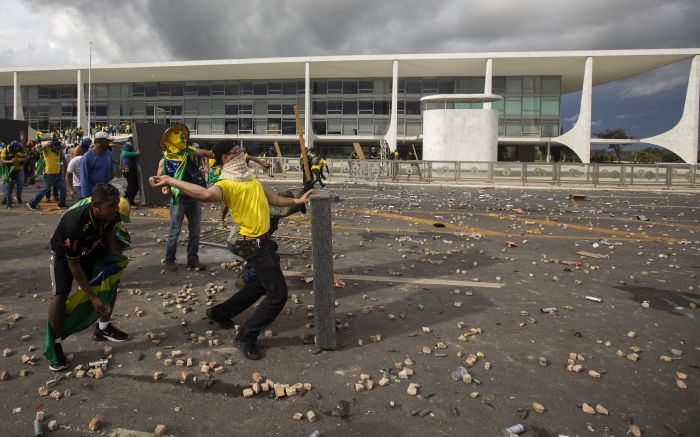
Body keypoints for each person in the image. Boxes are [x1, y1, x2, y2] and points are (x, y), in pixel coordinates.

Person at [149, 140, 313, 360]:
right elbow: (205, 194)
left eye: (240, 149)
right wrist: (170, 180)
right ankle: (246, 335)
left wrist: (298, 199)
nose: (241, 153)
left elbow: (273, 199)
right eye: (235, 151)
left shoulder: (250, 179)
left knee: (260, 285)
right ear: (225, 158)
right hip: (251, 243)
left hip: (262, 242)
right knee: (278, 295)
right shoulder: (226, 184)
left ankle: (220, 313)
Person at [45, 183, 129, 370]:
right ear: (96, 206)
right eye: (112, 205)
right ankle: (56, 343)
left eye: (117, 204)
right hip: (66, 256)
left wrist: (115, 261)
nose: (116, 209)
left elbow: (108, 232)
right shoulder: (74, 225)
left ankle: (103, 328)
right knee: (60, 295)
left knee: (112, 279)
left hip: (91, 247)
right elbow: (74, 266)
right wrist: (92, 297)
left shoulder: (110, 214)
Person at [157, 125, 213, 272]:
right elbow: (159, 177)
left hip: (193, 198)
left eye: (182, 136)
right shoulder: (165, 160)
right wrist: (162, 185)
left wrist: (220, 154)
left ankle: (192, 260)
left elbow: (205, 153)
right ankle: (170, 260)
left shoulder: (190, 153)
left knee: (195, 230)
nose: (181, 138)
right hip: (178, 199)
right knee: (174, 231)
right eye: (177, 136)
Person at [27, 138, 68, 209]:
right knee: (45, 189)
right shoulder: (48, 152)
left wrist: (58, 143)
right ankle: (32, 203)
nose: (59, 147)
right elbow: (43, 147)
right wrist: (50, 143)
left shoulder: (58, 152)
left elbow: (64, 146)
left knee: (63, 188)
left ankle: (61, 203)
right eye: (57, 146)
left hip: (58, 174)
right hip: (49, 175)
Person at [80, 131, 114, 199]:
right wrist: (87, 197)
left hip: (106, 193)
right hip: (93, 194)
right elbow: (84, 179)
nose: (108, 144)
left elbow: (111, 171)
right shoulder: (87, 158)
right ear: (98, 142)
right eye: (106, 142)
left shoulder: (109, 154)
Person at [0, 140, 27, 208]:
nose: (17, 148)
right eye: (15, 147)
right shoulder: (5, 150)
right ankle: (9, 202)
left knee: (21, 183)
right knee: (9, 186)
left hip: (19, 169)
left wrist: (22, 160)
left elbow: (26, 157)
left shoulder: (22, 149)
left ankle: (18, 196)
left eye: (18, 147)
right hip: (9, 171)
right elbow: (2, 160)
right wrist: (10, 161)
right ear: (12, 147)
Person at [120, 137, 140, 205]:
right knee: (133, 185)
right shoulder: (127, 145)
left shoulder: (128, 146)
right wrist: (136, 154)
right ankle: (128, 201)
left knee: (132, 185)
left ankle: (127, 199)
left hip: (128, 168)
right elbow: (124, 153)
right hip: (127, 168)